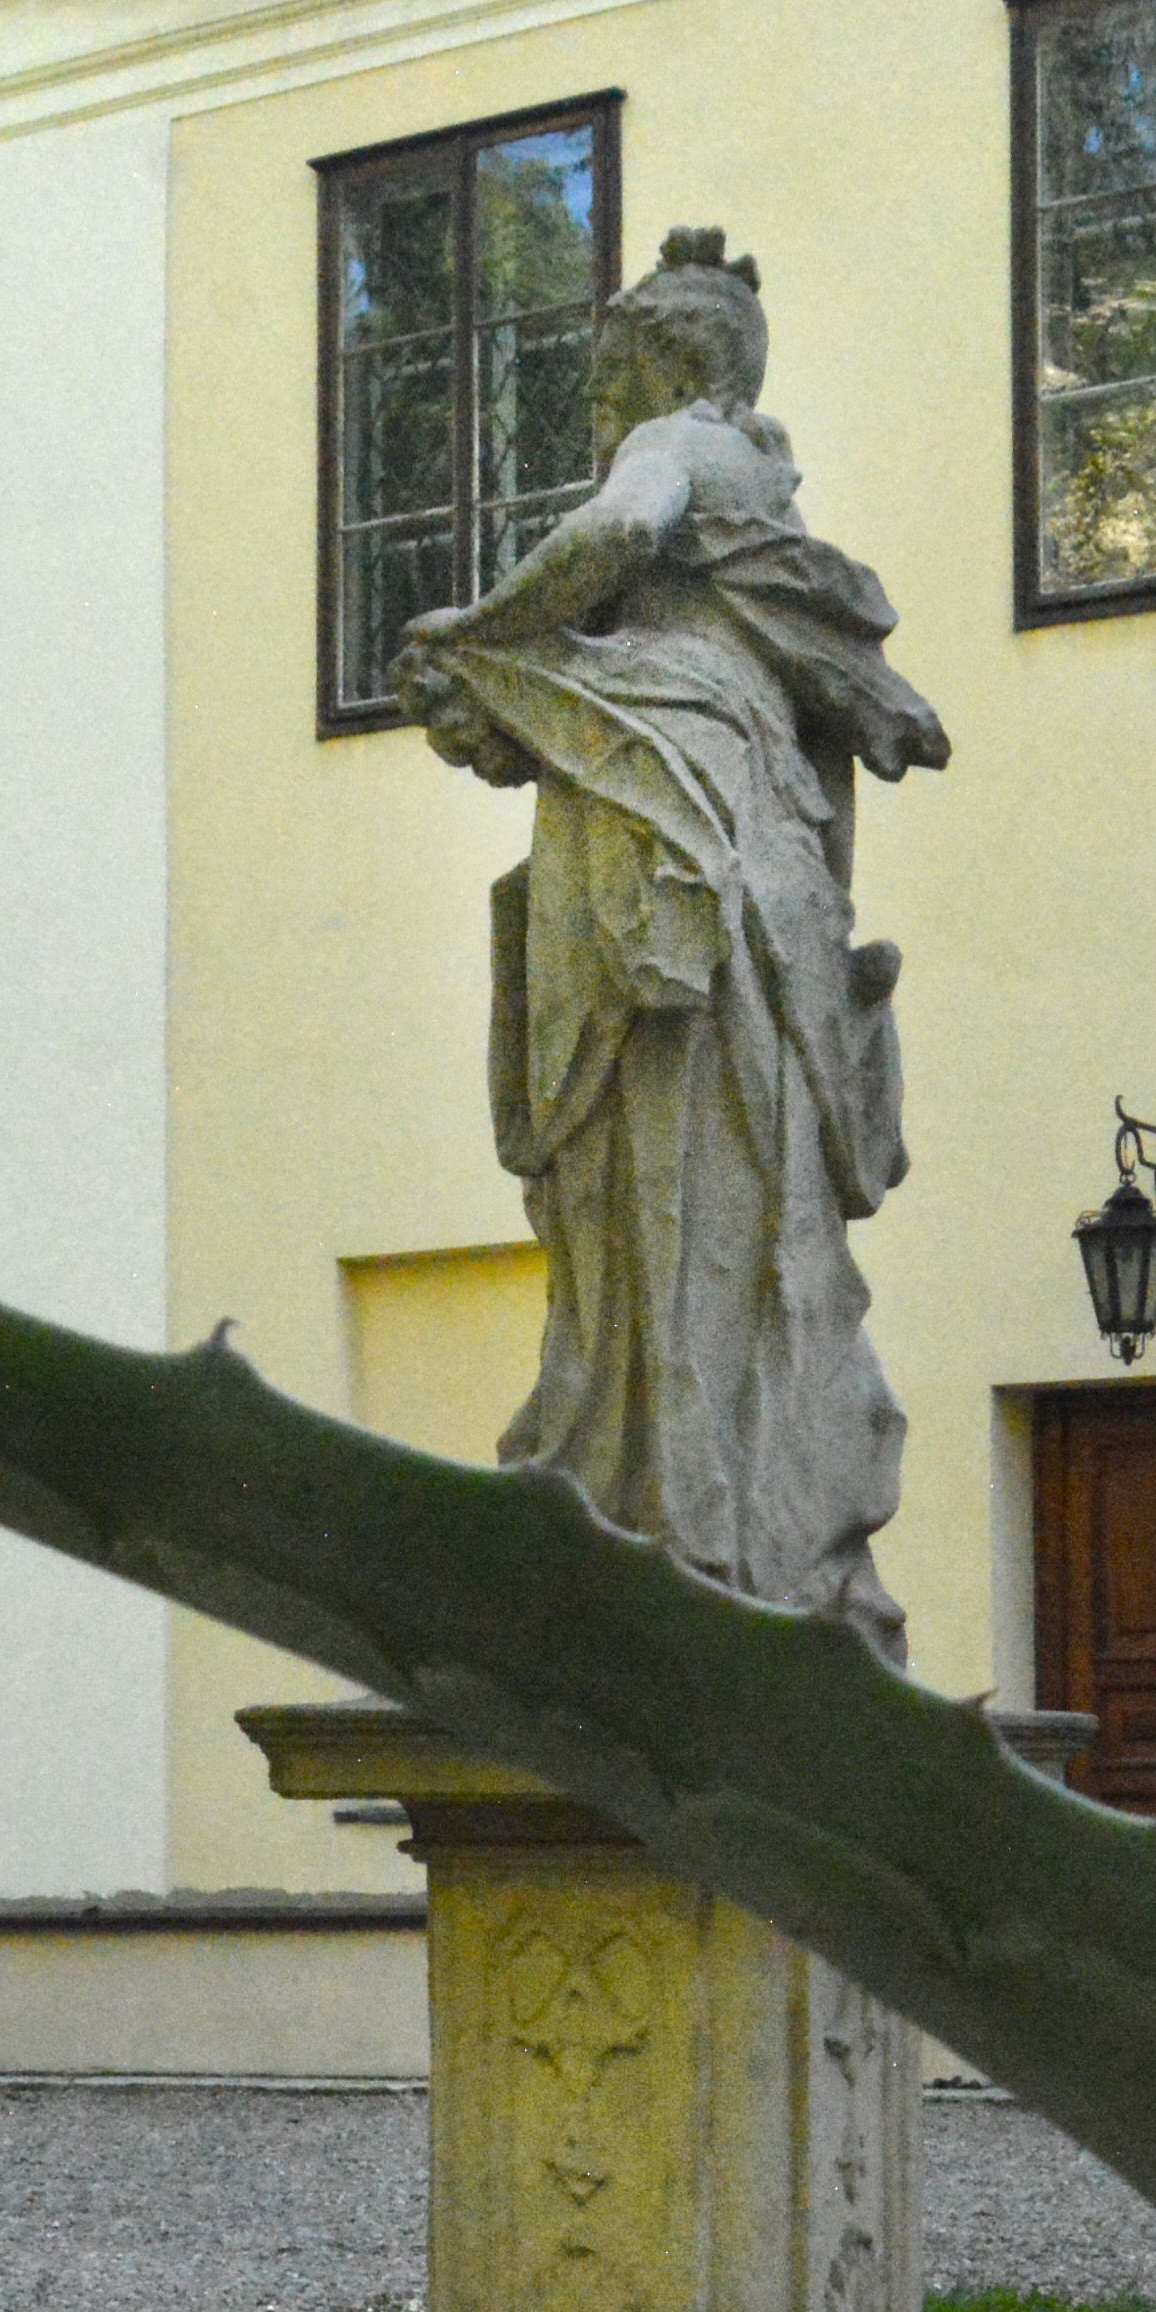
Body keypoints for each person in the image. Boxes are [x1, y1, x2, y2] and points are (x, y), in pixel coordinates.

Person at [395, 226, 945, 1658]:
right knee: (738, 1186)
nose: (596, 404)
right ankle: (735, 1507)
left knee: (657, 1186)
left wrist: (481, 626)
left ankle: (670, 1515)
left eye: (608, 373)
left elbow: (615, 534)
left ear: (673, 366)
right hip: (746, 847)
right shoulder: (757, 493)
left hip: (670, 835)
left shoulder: (675, 447)